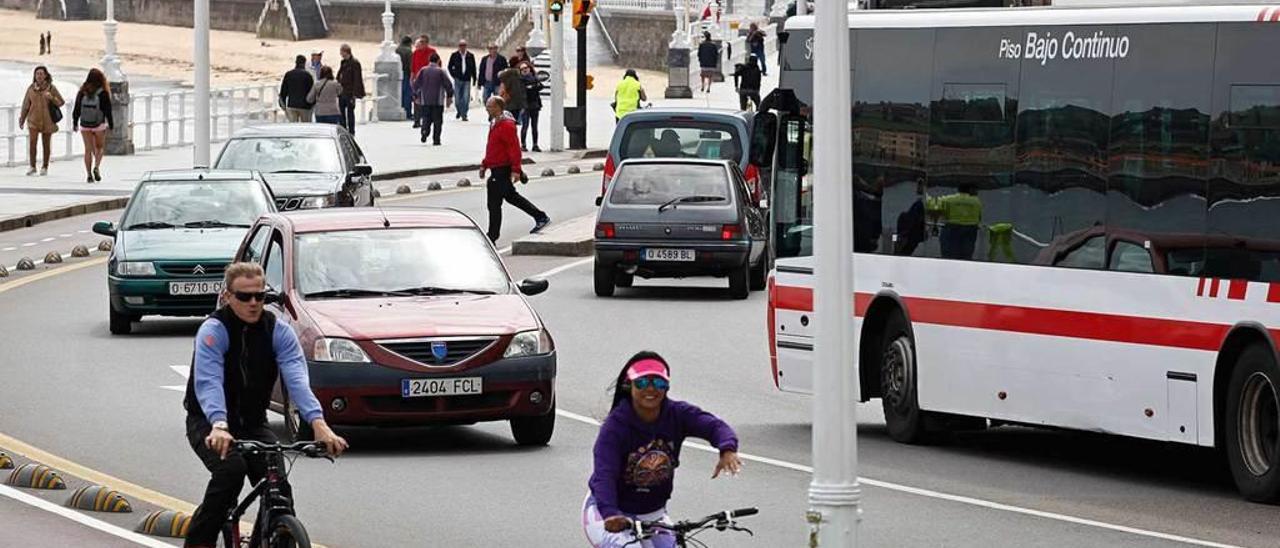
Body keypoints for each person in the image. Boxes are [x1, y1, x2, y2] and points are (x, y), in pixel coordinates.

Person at [182, 263, 348, 548]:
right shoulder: (214, 330)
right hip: (209, 423)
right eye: (245, 296)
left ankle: (268, 539)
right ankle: (199, 542)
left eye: (260, 296)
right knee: (230, 474)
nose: (254, 303)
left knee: (278, 488)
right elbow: (209, 382)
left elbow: (297, 379)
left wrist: (320, 425)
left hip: (253, 422)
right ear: (227, 296)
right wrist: (219, 425)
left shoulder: (278, 331)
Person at [583, 352, 742, 548]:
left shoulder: (678, 414)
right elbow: (604, 475)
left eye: (658, 383)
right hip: (608, 513)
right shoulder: (615, 428)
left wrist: (727, 449)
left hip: (653, 514)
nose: (650, 389)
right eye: (642, 383)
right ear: (629, 385)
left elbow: (714, 426)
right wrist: (610, 513)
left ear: (667, 386)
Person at [480, 96, 549, 243]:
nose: (487, 108)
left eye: (490, 106)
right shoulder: (494, 123)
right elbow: (492, 147)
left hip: (502, 169)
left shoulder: (506, 126)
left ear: (498, 107)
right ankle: (492, 235)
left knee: (507, 199)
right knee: (495, 203)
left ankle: (540, 216)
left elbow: (514, 149)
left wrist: (516, 170)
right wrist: (485, 164)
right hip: (495, 168)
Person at [18, 66, 64, 177]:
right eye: (37, 74)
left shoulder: (51, 88)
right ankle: (32, 166)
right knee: (32, 143)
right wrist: (22, 119)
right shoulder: (30, 89)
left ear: (45, 75)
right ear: (34, 76)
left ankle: (45, 166)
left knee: (46, 144)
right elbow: (26, 105)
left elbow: (61, 102)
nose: (39, 76)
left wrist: (52, 98)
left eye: (41, 74)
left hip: (47, 120)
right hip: (33, 120)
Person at [72, 68, 113, 184]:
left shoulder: (82, 91)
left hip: (85, 124)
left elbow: (76, 108)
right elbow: (108, 110)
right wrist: (110, 123)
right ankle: (97, 167)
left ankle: (89, 175)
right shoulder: (103, 93)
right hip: (99, 124)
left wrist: (75, 122)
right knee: (99, 148)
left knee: (88, 150)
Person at [928, 183, 983, 260]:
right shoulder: (976, 201)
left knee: (949, 254)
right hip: (970, 229)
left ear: (958, 189)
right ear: (970, 190)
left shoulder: (949, 199)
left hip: (952, 228)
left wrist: (935, 223)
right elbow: (979, 216)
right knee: (966, 254)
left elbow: (936, 208)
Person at [411, 53, 453, 145]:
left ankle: (424, 131)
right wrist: (449, 96)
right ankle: (436, 140)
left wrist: (415, 95)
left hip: (425, 100)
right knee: (438, 121)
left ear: (429, 60)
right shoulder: (441, 71)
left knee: (426, 118)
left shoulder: (423, 70)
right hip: (438, 101)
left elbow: (416, 84)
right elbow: (448, 85)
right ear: (438, 60)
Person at [336, 44, 365, 135]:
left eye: (341, 51)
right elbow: (339, 75)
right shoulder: (343, 62)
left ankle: (351, 131)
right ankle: (343, 129)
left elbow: (357, 79)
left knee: (350, 112)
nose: (340, 53)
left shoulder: (355, 63)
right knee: (341, 112)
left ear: (346, 52)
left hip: (350, 91)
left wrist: (355, 94)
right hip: (342, 91)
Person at [409, 35, 438, 128]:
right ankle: (417, 120)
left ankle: (427, 119)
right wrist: (411, 78)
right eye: (420, 42)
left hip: (429, 80)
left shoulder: (432, 52)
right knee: (416, 99)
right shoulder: (415, 53)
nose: (421, 44)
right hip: (418, 80)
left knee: (427, 100)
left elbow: (438, 65)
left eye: (423, 42)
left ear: (427, 43)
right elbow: (413, 67)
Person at [278, 55, 314, 123]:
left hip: (292, 104)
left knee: (293, 127)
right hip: (305, 105)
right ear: (304, 63)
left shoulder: (289, 74)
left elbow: (283, 91)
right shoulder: (307, 75)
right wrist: (312, 104)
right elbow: (312, 92)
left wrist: (283, 105)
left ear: (296, 62)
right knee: (306, 126)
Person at [448, 39, 477, 121]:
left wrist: (474, 78)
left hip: (467, 79)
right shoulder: (454, 55)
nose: (462, 47)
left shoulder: (470, 56)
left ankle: (464, 114)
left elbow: (473, 68)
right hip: (458, 79)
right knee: (457, 98)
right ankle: (459, 111)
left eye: (464, 45)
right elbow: (450, 66)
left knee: (466, 97)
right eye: (461, 45)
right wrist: (454, 75)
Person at [519, 62, 544, 152]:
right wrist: (532, 87)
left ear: (529, 69)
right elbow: (522, 90)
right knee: (525, 125)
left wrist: (533, 86)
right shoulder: (520, 80)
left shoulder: (534, 78)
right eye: (522, 69)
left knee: (535, 126)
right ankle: (523, 144)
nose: (525, 70)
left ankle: (535, 144)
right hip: (525, 106)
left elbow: (540, 86)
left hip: (534, 105)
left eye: (526, 68)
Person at [396, 36, 415, 121]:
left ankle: (400, 109)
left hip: (397, 74)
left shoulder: (396, 50)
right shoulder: (409, 51)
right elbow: (411, 64)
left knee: (399, 93)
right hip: (406, 74)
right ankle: (408, 113)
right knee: (407, 94)